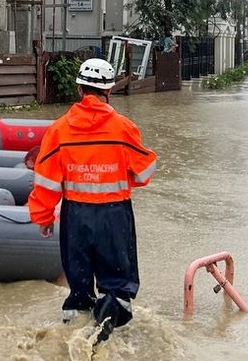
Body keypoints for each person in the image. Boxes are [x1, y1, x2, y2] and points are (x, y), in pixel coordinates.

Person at [27, 58, 157, 345]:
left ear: (78, 89)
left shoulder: (59, 130)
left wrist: (44, 218)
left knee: (79, 289)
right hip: (114, 216)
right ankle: (103, 330)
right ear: (108, 91)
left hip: (76, 216)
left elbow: (46, 181)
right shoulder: (124, 128)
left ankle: (74, 336)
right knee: (119, 288)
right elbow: (145, 171)